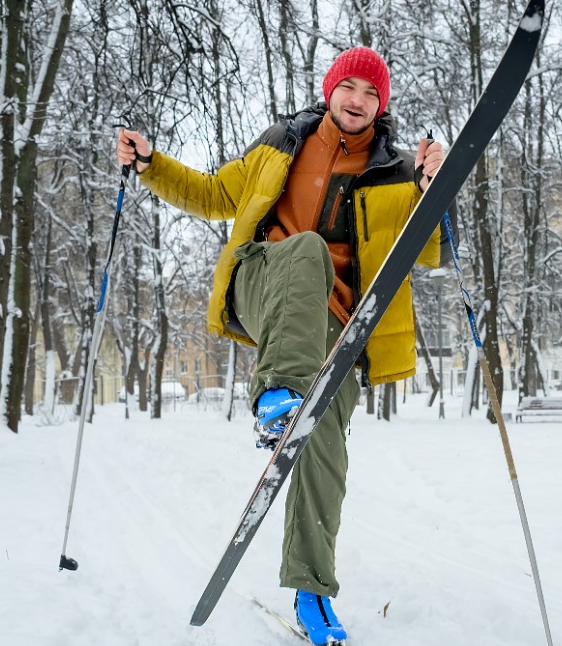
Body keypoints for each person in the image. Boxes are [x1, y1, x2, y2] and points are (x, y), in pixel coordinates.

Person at [117, 46, 445, 646]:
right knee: (307, 251)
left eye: (372, 94)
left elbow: (431, 252)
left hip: (340, 329)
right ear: (331, 91)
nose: (359, 101)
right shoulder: (282, 144)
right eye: (351, 87)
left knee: (324, 447)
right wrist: (151, 165)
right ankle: (274, 396)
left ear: (382, 105)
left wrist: (431, 190)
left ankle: (311, 591)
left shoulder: (397, 172)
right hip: (264, 281)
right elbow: (215, 194)